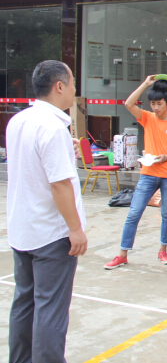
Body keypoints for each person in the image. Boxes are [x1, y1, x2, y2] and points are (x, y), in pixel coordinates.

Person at [7, 60, 88, 363]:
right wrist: (75, 229)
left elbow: (32, 162)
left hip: (23, 228)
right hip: (51, 234)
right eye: (73, 82)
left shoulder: (19, 120)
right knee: (51, 308)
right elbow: (60, 185)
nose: (75, 89)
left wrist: (67, 150)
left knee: (24, 302)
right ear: (59, 86)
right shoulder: (52, 127)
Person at [105, 75, 167, 269]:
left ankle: (163, 250)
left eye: (159, 104)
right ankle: (122, 254)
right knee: (134, 213)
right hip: (148, 174)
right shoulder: (147, 118)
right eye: (152, 104)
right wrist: (145, 84)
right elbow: (128, 103)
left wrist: (166, 157)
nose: (155, 108)